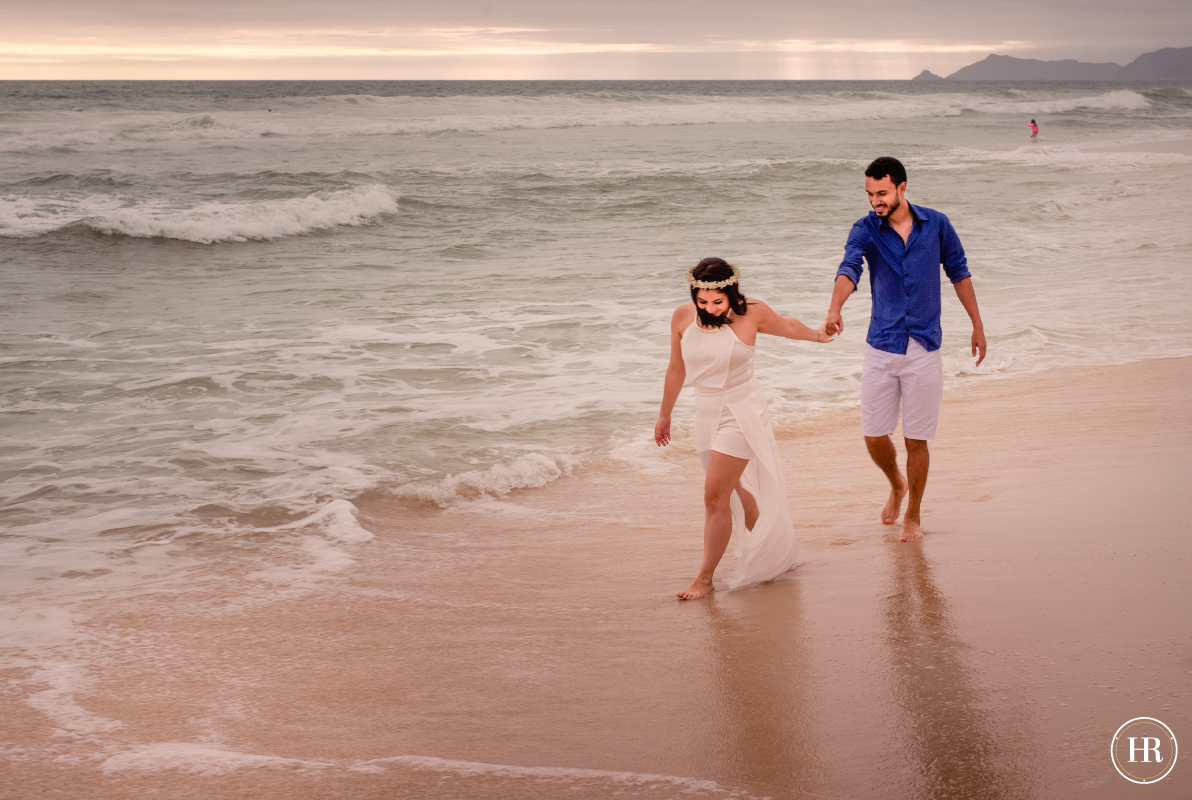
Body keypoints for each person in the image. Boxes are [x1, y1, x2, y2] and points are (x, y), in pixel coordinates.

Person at [822, 157, 986, 542]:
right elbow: (849, 269)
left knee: (916, 439)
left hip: (924, 347)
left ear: (902, 188)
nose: (874, 201)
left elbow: (959, 272)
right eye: (869, 194)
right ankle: (896, 483)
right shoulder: (865, 229)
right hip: (882, 344)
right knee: (874, 435)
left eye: (881, 193)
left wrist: (977, 325)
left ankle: (913, 514)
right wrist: (834, 308)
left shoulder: (937, 224)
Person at [655, 258, 831, 599]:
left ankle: (705, 578)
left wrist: (818, 335)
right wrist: (665, 414)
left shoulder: (752, 313)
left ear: (731, 293)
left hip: (741, 411)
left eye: (717, 302)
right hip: (706, 412)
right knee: (733, 489)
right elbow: (676, 368)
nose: (709, 308)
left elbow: (788, 326)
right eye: (702, 301)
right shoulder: (682, 317)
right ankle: (772, 548)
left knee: (714, 496)